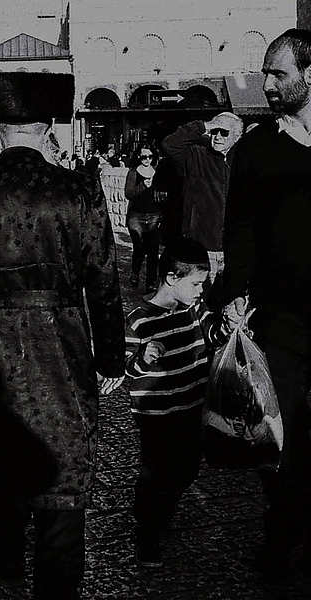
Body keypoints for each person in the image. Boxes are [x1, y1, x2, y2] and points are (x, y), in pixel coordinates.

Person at [0, 71, 125, 600]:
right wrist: (110, 358)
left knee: (1, 447)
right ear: (48, 129)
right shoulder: (80, 190)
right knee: (65, 461)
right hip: (62, 341)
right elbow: (103, 278)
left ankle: (10, 539)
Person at [222, 28, 311, 574]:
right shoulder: (257, 147)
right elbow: (240, 227)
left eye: (278, 73)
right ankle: (284, 527)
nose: (268, 84)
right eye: (265, 74)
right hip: (280, 318)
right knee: (277, 431)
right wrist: (235, 290)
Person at [125, 237, 227, 568]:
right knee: (156, 472)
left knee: (186, 468)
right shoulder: (138, 321)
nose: (201, 290)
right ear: (172, 277)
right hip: (156, 416)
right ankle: (147, 531)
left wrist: (228, 325)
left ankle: (161, 508)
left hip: (193, 407)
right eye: (196, 283)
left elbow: (213, 335)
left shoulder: (194, 309)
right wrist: (143, 358)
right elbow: (127, 368)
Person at [162, 111, 243, 308]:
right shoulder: (196, 155)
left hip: (234, 250)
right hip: (202, 248)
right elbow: (170, 144)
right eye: (215, 131)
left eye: (224, 132)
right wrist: (204, 125)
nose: (217, 136)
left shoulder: (244, 160)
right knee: (199, 306)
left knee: (231, 308)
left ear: (237, 136)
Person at [124, 143, 163, 292]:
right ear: (138, 157)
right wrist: (143, 186)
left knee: (153, 250)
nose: (147, 160)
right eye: (144, 157)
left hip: (154, 215)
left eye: (150, 157)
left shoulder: (157, 171)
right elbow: (128, 194)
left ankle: (150, 282)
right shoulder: (133, 172)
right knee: (139, 248)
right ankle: (135, 272)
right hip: (136, 216)